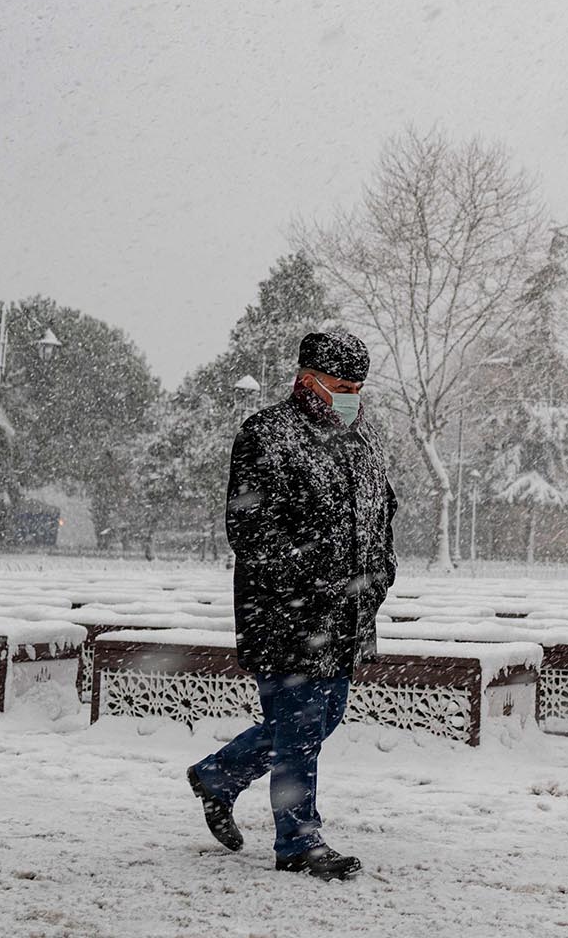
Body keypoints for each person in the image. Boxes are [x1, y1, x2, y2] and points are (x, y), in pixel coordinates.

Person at [185, 331, 398, 880]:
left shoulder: (363, 439)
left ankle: (219, 775)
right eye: (340, 385)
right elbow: (252, 529)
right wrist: (315, 583)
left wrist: (378, 576)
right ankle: (299, 843)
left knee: (320, 721)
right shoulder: (267, 435)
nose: (351, 395)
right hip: (288, 616)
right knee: (299, 732)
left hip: (347, 618)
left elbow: (383, 514)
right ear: (308, 380)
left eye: (358, 386)